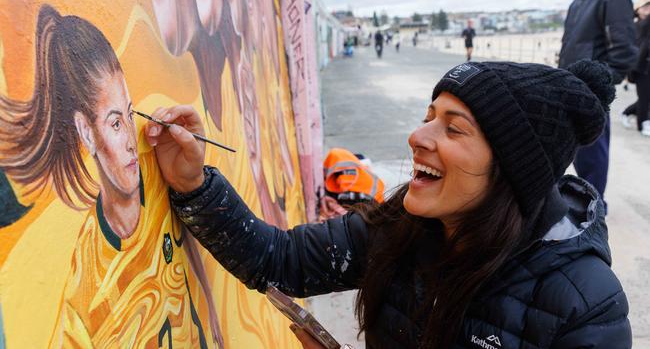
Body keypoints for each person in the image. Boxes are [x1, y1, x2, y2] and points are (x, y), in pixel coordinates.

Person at [145, 59, 631, 348]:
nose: (417, 136)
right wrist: (192, 183)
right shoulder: (403, 225)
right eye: (427, 117)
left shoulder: (584, 304)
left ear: (510, 172)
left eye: (453, 127)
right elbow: (278, 259)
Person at [0, 5, 223, 347]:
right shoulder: (86, 280)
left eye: (131, 115)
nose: (132, 142)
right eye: (116, 123)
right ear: (86, 133)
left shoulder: (155, 171)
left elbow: (193, 261)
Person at [558, 0, 638, 209]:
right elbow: (569, 47)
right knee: (573, 150)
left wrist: (601, 82)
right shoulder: (578, 0)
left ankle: (593, 207)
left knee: (592, 152)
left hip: (593, 90)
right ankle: (577, 199)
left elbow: (624, 51)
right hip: (570, 85)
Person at [621, 0, 650, 136]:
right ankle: (643, 124)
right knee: (644, 97)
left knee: (646, 98)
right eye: (644, 7)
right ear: (637, 10)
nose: (647, 9)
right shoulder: (634, 26)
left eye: (649, 6)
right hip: (639, 67)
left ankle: (627, 112)